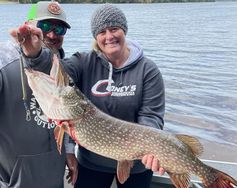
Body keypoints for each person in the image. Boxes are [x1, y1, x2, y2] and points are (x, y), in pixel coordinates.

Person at [11, 4, 166, 188]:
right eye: (102, 31)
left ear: (124, 30)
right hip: (91, 165)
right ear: (95, 36)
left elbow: (151, 116)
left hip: (138, 165)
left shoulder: (148, 70)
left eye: (114, 29)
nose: (109, 36)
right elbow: (53, 71)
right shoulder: (83, 62)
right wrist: (35, 54)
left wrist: (150, 146)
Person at [0, 1, 77, 188]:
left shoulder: (60, 65)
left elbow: (65, 117)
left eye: (59, 29)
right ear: (27, 25)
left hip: (53, 176)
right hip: (15, 181)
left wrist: (68, 151)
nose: (51, 34)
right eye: (44, 26)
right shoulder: (4, 58)